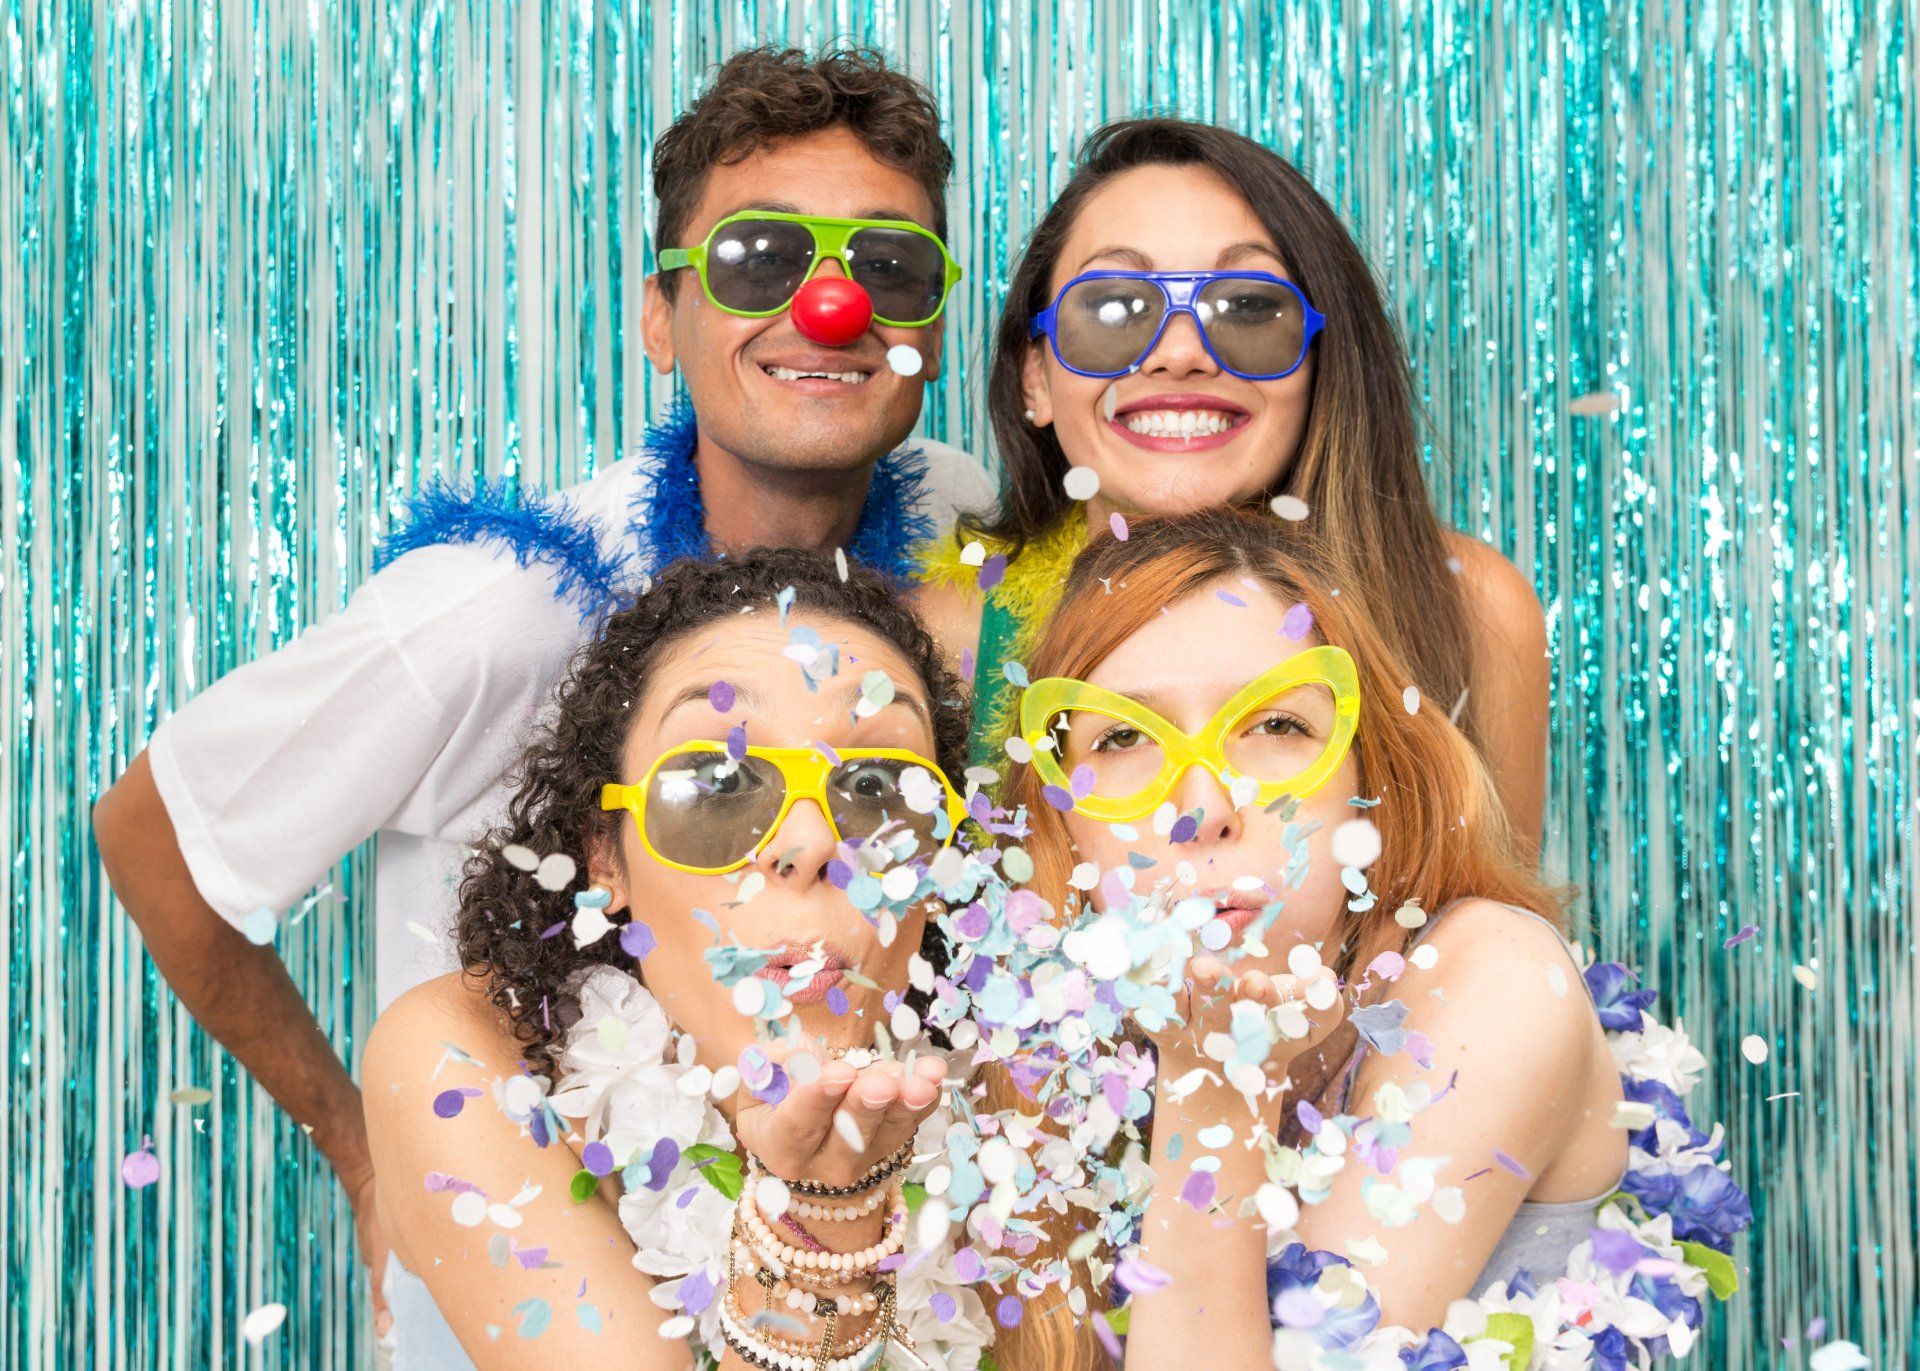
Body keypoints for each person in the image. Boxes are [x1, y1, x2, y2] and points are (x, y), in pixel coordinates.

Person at [90, 45, 993, 1344]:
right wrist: (363, 1146)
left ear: (933, 324)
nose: (833, 309)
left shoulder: (954, 533)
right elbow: (156, 833)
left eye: (888, 269)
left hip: (863, 1266)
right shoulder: (497, 611)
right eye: (760, 259)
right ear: (657, 315)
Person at [993, 509, 1624, 1369]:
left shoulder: (1495, 983)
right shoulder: (1048, 1045)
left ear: (1377, 777)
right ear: (1061, 828)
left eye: (1277, 726)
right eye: (1125, 738)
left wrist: (1215, 1088)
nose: (1205, 810)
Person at [362, 549, 993, 1368]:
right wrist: (817, 1226)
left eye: (879, 788)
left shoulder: (1021, 1096)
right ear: (604, 858)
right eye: (717, 785)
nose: (809, 844)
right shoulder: (462, 1060)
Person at [913, 118, 1548, 859]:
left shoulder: (1469, 609)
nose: (1180, 352)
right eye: (1114, 308)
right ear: (1036, 377)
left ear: (1319, 360)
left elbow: (1505, 942)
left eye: (1247, 307)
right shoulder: (949, 632)